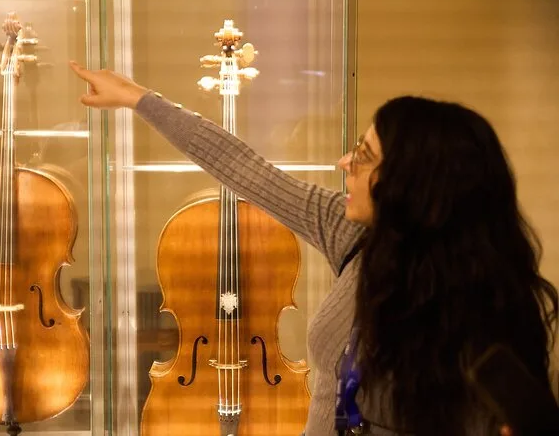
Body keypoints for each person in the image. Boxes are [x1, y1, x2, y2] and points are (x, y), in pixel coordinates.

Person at [68, 61, 558, 436]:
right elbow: (245, 169)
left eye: (364, 156)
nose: (345, 162)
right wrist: (138, 99)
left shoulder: (484, 314)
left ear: (411, 186)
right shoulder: (353, 235)